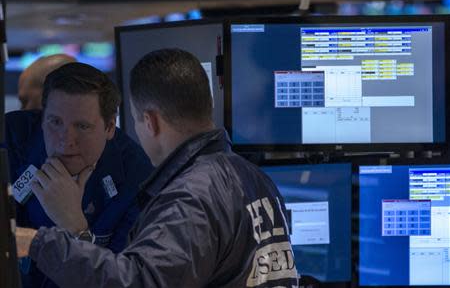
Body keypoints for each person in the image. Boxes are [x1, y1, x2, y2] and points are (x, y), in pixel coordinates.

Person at [17, 49, 298, 287]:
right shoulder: (255, 178)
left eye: (137, 121)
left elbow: (139, 282)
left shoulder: (192, 196)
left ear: (150, 121)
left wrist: (38, 243)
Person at [7, 62, 153, 288]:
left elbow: (126, 282)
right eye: (55, 122)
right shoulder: (11, 140)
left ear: (109, 127)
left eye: (82, 126)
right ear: (42, 117)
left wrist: (76, 230)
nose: (66, 140)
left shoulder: (138, 177)